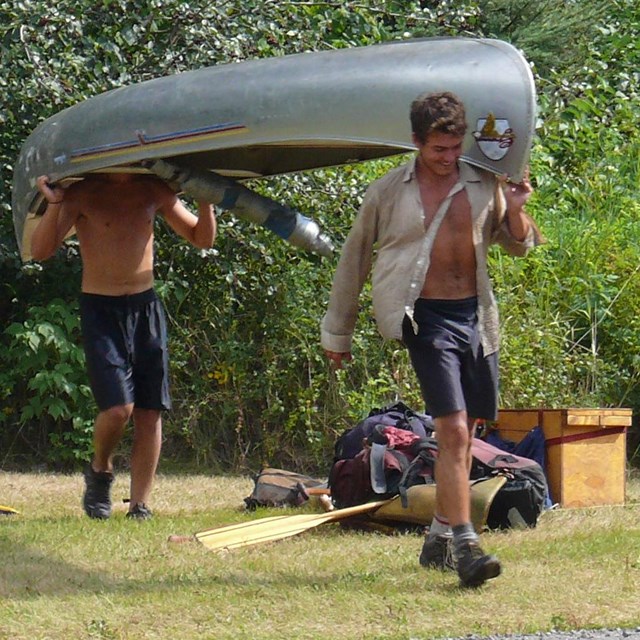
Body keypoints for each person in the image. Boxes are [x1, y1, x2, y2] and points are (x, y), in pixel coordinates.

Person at [321, 92, 542, 587]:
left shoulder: (483, 182)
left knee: (467, 434)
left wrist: (518, 207)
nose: (447, 158)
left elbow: (519, 245)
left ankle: (437, 536)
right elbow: (354, 259)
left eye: (454, 147)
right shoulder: (387, 192)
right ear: (417, 142)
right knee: (455, 430)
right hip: (422, 317)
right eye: (437, 149)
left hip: (476, 318)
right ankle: (466, 544)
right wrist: (338, 331)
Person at [31, 172, 216, 520]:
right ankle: (100, 469)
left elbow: (201, 239)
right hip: (101, 309)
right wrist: (54, 204)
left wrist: (206, 201)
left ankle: (139, 504)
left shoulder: (153, 189)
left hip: (145, 308)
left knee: (149, 409)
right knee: (118, 409)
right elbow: (41, 251)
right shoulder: (80, 193)